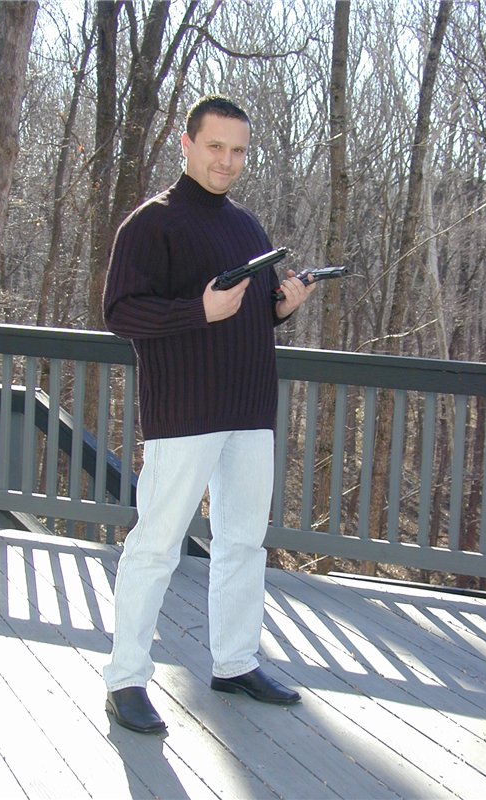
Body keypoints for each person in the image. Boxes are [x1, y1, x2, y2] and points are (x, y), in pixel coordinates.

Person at [102, 95, 315, 734]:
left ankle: (235, 662)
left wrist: (280, 307)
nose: (227, 160)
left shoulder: (247, 227)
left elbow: (247, 313)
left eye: (238, 150)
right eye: (216, 146)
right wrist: (197, 310)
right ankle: (125, 679)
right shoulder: (151, 223)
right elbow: (120, 312)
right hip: (185, 411)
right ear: (187, 143)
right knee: (156, 545)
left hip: (249, 408)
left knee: (243, 542)